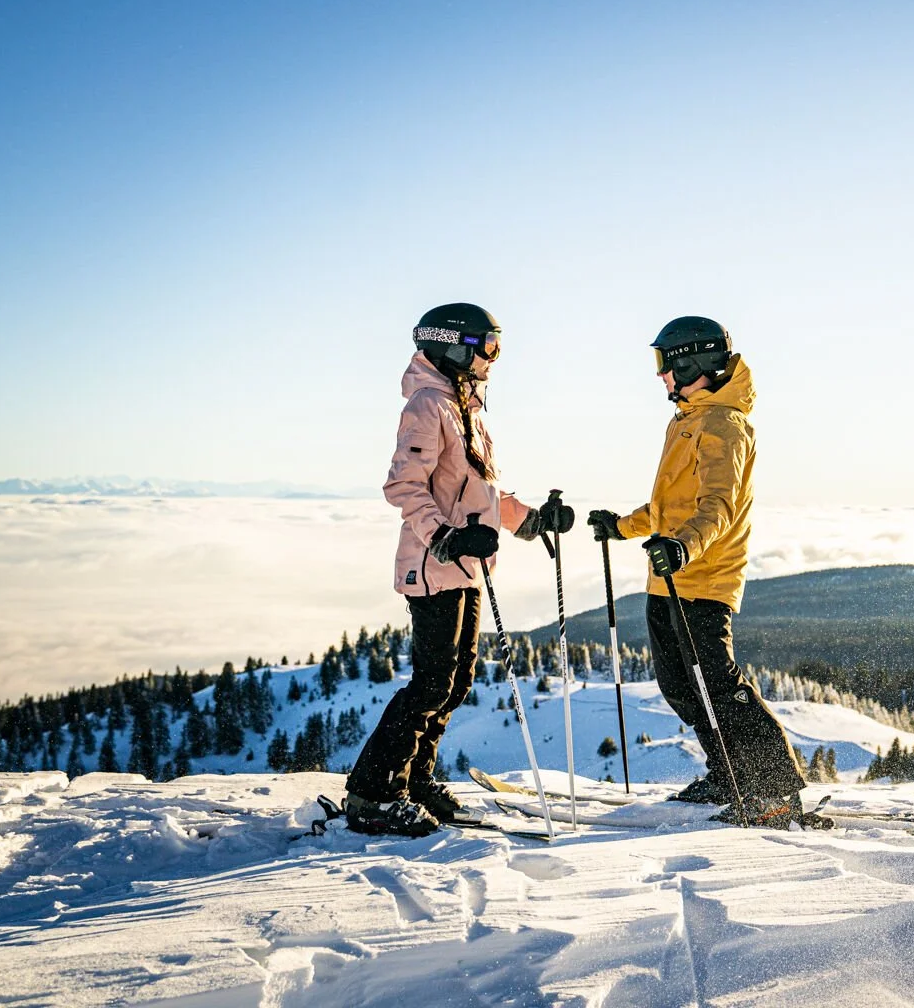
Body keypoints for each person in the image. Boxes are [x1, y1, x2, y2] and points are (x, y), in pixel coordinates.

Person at [344, 303, 573, 836]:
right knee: (431, 682)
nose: (494, 360)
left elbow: (480, 493)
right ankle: (374, 792)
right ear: (453, 347)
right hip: (434, 564)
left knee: (456, 679)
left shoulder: (464, 407)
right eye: (487, 348)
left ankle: (415, 778)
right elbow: (405, 486)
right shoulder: (428, 405)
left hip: (466, 565)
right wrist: (444, 537)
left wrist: (533, 521)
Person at [587, 317, 813, 828]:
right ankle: (729, 774)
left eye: (665, 363)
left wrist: (684, 550)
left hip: (703, 579)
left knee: (717, 684)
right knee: (682, 688)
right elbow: (671, 506)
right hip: (667, 578)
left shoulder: (723, 425)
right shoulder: (688, 420)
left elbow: (717, 506)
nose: (661, 375)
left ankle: (775, 790)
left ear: (693, 361)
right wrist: (621, 527)